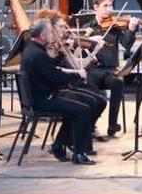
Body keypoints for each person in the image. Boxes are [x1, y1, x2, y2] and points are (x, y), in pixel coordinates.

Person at [21, 18, 96, 164]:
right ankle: (79, 154)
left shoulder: (32, 49)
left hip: (40, 97)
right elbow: (55, 77)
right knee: (83, 110)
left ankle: (58, 146)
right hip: (43, 100)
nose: (52, 34)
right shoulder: (38, 54)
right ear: (43, 35)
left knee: (77, 108)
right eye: (50, 32)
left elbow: (48, 69)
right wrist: (77, 75)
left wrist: (61, 55)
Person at [85, 0, 136, 137]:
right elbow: (80, 52)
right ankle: (91, 124)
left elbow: (127, 44)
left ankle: (112, 124)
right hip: (93, 70)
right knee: (93, 88)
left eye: (111, 5)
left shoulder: (115, 26)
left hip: (110, 70)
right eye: (105, 5)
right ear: (96, 7)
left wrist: (131, 29)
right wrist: (86, 36)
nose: (109, 9)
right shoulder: (88, 27)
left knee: (118, 82)